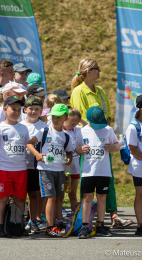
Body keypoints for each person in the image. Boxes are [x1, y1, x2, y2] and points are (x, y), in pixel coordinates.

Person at [70, 58, 132, 228]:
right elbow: (77, 117)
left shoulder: (101, 90)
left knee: (108, 179)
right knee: (88, 182)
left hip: (103, 141)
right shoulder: (78, 91)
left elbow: (108, 115)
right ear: (88, 71)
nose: (100, 71)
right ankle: (85, 221)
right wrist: (93, 131)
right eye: (97, 69)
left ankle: (114, 216)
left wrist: (108, 136)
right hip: (89, 141)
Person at [27, 104, 73, 238]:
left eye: (59, 117)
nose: (55, 119)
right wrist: (37, 154)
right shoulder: (45, 131)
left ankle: (56, 223)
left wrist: (68, 160)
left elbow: (69, 152)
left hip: (60, 170)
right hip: (46, 169)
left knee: (59, 197)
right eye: (53, 116)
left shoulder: (66, 136)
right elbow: (29, 144)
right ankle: (49, 227)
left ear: (65, 117)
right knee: (51, 197)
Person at [75, 106, 119, 238]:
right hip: (88, 172)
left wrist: (113, 147)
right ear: (88, 119)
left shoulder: (108, 130)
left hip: (104, 172)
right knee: (87, 198)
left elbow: (117, 144)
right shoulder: (82, 131)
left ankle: (100, 225)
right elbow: (76, 149)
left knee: (102, 198)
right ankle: (84, 226)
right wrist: (81, 149)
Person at [0, 95, 30, 237]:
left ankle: (18, 225)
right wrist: (2, 162)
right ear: (5, 110)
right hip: (4, 170)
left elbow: (27, 146)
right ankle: (0, 227)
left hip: (20, 170)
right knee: (2, 198)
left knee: (20, 198)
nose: (16, 112)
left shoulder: (24, 129)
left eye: (19, 109)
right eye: (13, 109)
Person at [20, 96, 47, 234]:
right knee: (20, 195)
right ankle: (19, 219)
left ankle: (34, 220)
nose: (33, 111)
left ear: (41, 111)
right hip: (20, 164)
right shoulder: (20, 124)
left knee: (35, 194)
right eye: (30, 109)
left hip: (36, 166)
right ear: (25, 109)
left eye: (37, 109)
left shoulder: (45, 127)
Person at [126, 95, 142, 236]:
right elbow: (133, 149)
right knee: (140, 194)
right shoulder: (133, 127)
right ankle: (140, 224)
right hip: (139, 167)